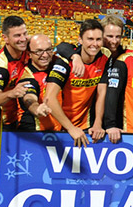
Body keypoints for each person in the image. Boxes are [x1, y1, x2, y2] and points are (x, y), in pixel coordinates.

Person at [44, 19, 108, 147]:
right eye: (90, 39)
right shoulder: (65, 62)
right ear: (80, 40)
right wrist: (70, 128)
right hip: (60, 127)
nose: (94, 44)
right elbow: (49, 98)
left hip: (85, 128)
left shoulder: (104, 58)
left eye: (98, 39)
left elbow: (101, 94)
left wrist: (98, 123)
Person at [0, 16, 29, 130]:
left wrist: (74, 56)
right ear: (5, 38)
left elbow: (60, 48)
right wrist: (12, 93)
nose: (23, 38)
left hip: (21, 119)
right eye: (17, 35)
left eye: (25, 33)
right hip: (2, 124)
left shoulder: (27, 47)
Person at [17, 34, 56, 131]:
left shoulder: (56, 65)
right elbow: (29, 98)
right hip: (32, 133)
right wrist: (36, 108)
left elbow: (66, 47)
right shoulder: (27, 75)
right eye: (39, 51)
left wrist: (75, 56)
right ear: (29, 54)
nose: (45, 55)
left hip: (58, 132)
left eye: (48, 50)